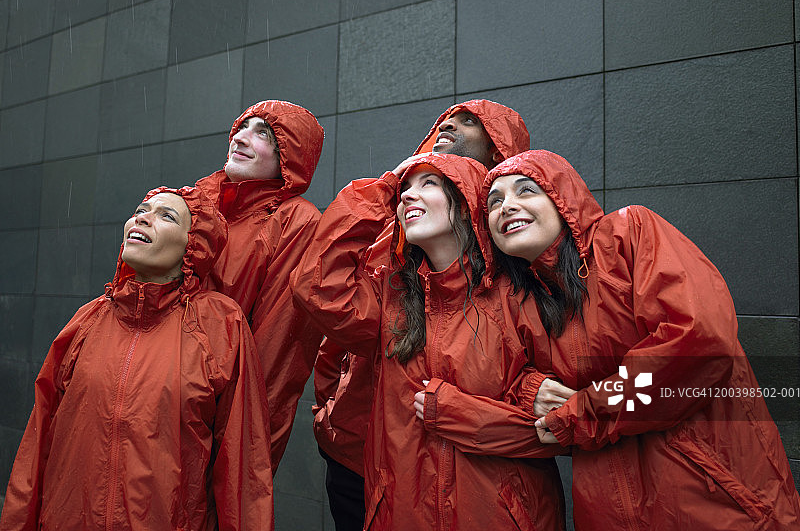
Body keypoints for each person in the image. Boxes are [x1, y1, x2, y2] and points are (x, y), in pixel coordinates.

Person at [485, 150, 800, 530]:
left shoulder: (628, 233)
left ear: (563, 199)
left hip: (715, 499)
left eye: (526, 190)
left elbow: (696, 342)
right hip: (609, 512)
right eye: (495, 201)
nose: (507, 206)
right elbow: (496, 371)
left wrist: (587, 410)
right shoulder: (523, 299)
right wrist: (530, 389)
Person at [293, 152, 565, 531]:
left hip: (501, 516)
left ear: (466, 200)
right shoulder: (391, 297)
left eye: (429, 183)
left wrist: (458, 413)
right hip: (400, 512)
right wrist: (385, 188)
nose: (407, 195)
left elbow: (568, 427)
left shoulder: (519, 295)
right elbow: (318, 287)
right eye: (405, 189)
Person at [0, 187, 274, 531]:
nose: (142, 218)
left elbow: (244, 468)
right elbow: (36, 444)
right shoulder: (86, 321)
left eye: (167, 216)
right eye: (141, 210)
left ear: (194, 245)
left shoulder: (221, 326)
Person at [195, 100, 324, 468]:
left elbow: (276, 350)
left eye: (263, 133)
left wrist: (239, 449)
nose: (241, 137)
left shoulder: (296, 222)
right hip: (156, 394)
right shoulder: (196, 202)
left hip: (214, 414)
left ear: (289, 158)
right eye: (242, 126)